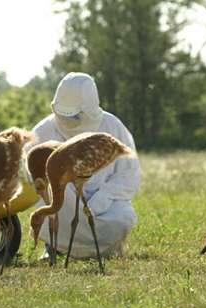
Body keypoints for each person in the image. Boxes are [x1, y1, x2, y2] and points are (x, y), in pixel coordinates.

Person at [31, 72, 140, 259]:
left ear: (89, 109)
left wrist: (99, 201)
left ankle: (106, 249)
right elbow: (30, 173)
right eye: (63, 115)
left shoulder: (113, 127)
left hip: (104, 204)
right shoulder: (43, 131)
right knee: (50, 195)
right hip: (63, 203)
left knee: (122, 217)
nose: (68, 122)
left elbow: (128, 175)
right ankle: (55, 247)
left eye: (74, 117)